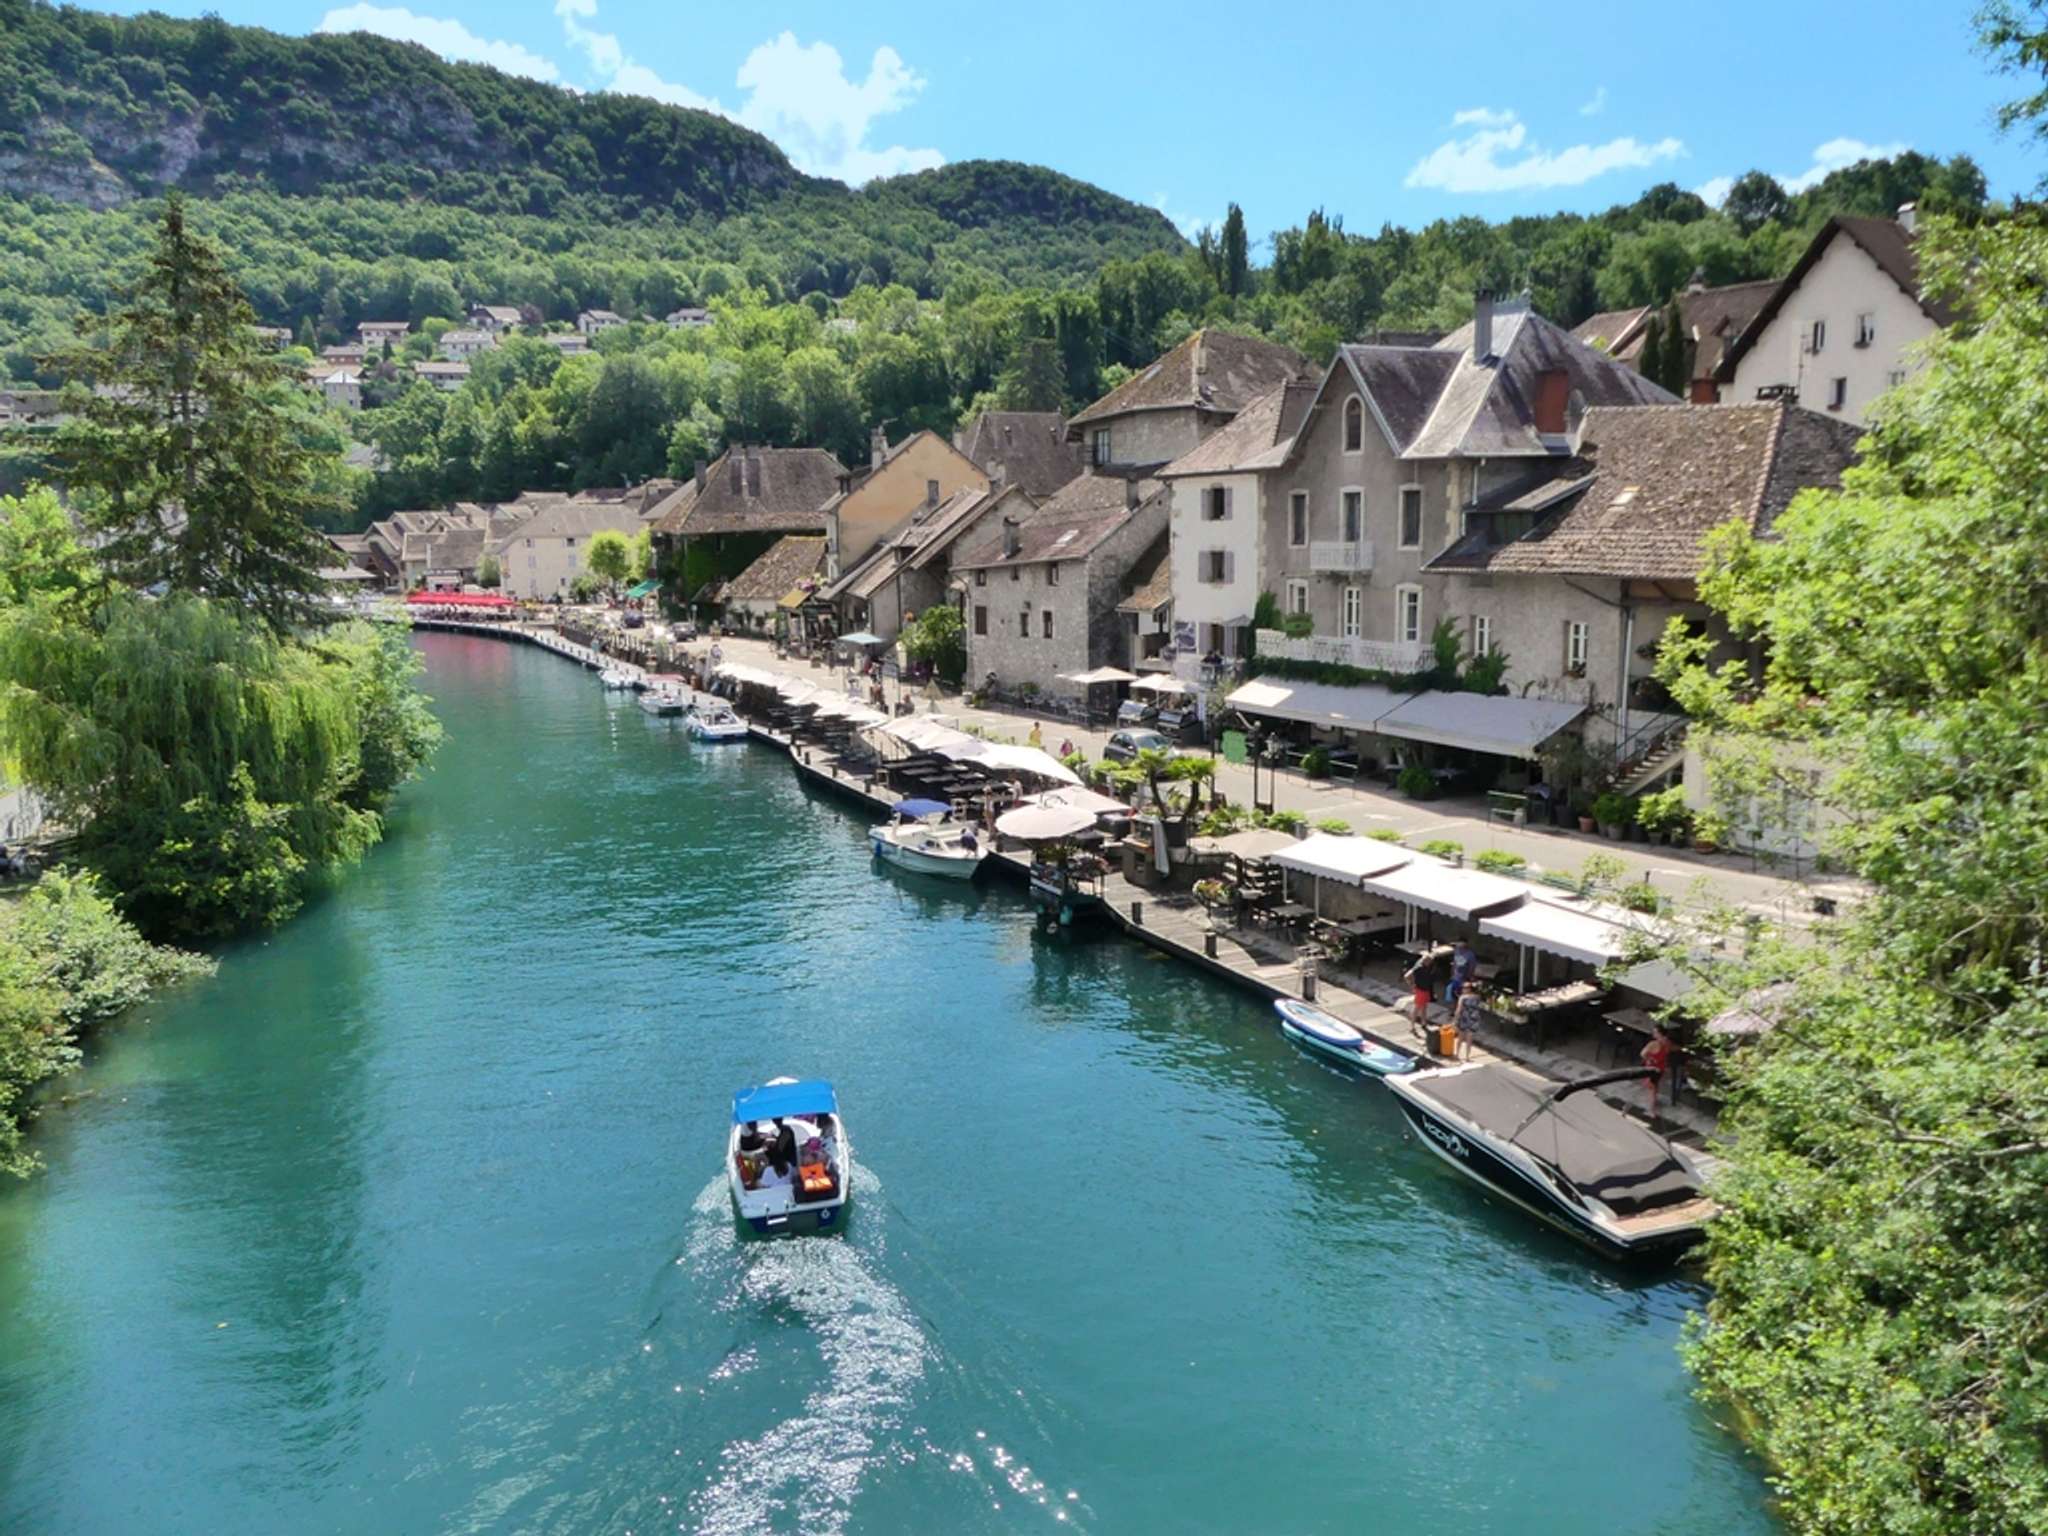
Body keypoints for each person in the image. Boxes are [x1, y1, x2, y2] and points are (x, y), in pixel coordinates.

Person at [1403, 945, 1450, 1036]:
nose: (1430, 963)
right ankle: (1412, 1026)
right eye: (1429, 961)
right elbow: (1407, 976)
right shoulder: (1419, 968)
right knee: (1417, 1008)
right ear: (1425, 961)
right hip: (1420, 989)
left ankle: (1424, 1023)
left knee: (1424, 1007)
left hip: (1426, 989)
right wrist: (1412, 986)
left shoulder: (1428, 966)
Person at [1641, 1025, 1673, 1113]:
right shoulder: (1668, 1043)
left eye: (1655, 1032)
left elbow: (1643, 1054)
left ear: (1660, 1033)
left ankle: (1651, 1109)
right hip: (1660, 1068)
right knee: (1654, 1086)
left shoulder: (1653, 1044)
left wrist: (1650, 1059)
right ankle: (1653, 1104)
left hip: (1651, 1068)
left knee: (1651, 1088)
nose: (1653, 1034)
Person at [1447, 940, 1477, 1006]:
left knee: (1462, 995)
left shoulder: (1470, 955)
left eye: (1461, 946)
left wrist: (1468, 976)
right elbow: (1454, 963)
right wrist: (1451, 973)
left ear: (1465, 945)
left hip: (1463, 978)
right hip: (1455, 977)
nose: (1460, 947)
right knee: (1454, 994)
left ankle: (1460, 1008)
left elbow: (1472, 967)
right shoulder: (1457, 951)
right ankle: (1454, 1008)